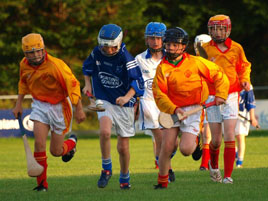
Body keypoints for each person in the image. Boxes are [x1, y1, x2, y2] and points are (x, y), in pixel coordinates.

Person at [152, 27, 229, 189]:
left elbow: (219, 74)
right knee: (166, 146)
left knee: (186, 150)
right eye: (168, 44)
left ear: (183, 46)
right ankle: (162, 183)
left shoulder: (195, 62)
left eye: (175, 45)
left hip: (194, 109)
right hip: (171, 110)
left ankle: (195, 140)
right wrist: (174, 109)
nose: (171, 48)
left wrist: (221, 94)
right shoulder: (162, 68)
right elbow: (159, 94)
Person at [12, 33, 86, 191]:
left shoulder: (56, 65)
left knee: (56, 151)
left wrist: (79, 108)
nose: (36, 55)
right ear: (25, 54)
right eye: (31, 53)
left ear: (43, 48)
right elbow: (23, 83)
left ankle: (71, 144)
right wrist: (18, 104)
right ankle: (41, 185)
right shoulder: (24, 65)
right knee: (39, 144)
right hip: (39, 105)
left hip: (60, 106)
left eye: (38, 51)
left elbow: (73, 85)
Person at [82, 24, 144, 189]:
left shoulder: (126, 58)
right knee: (104, 131)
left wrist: (126, 97)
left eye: (112, 47)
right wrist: (87, 85)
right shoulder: (97, 52)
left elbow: (138, 82)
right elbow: (87, 68)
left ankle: (124, 177)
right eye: (105, 47)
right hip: (104, 99)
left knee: (123, 148)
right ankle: (106, 169)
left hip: (125, 104)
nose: (108, 51)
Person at [202, 14, 251, 184]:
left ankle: (228, 176)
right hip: (212, 95)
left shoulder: (237, 48)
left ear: (228, 29)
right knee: (215, 140)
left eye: (221, 28)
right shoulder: (205, 48)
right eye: (214, 28)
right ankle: (214, 166)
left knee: (229, 133)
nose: (217, 32)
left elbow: (244, 66)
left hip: (231, 95)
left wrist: (245, 80)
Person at [135, 22, 177, 181]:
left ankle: (166, 161)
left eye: (159, 38)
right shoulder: (139, 59)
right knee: (160, 138)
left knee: (173, 143)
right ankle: (167, 171)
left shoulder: (171, 57)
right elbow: (133, 82)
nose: (155, 41)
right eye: (152, 38)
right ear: (146, 39)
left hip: (168, 103)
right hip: (149, 103)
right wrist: (134, 102)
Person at [194, 34, 212, 171]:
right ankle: (195, 143)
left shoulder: (213, 63)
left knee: (208, 133)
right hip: (197, 102)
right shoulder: (192, 62)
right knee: (198, 132)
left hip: (210, 101)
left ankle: (205, 163)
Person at [235, 85, 258, 167]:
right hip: (229, 114)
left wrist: (252, 117)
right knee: (229, 137)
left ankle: (239, 162)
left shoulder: (247, 86)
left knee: (240, 137)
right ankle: (236, 154)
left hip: (242, 114)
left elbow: (250, 102)